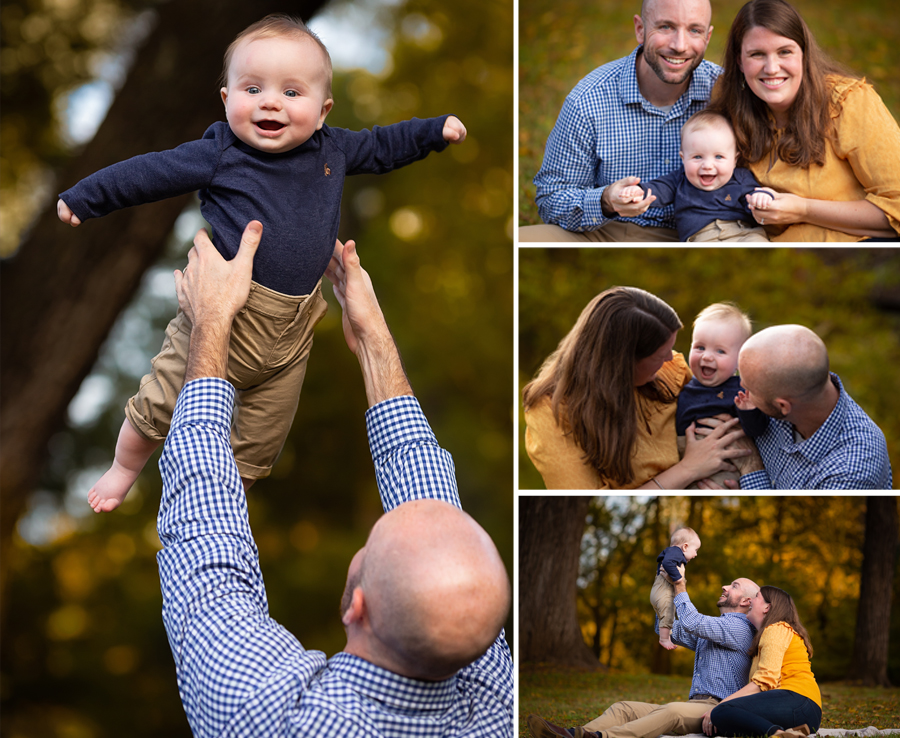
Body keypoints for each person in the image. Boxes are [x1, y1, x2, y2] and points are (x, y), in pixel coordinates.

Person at [57, 13, 467, 512]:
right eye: (253, 88)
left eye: (292, 93)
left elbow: (384, 146)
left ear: (322, 111)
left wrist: (431, 132)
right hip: (222, 316)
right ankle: (124, 467)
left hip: (294, 335)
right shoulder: (220, 154)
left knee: (260, 440)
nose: (271, 101)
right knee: (158, 403)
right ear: (228, 100)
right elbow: (148, 172)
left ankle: (230, 505)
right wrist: (86, 197)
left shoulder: (333, 149)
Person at [157, 220, 513, 736]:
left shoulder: (269, 716)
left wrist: (211, 319)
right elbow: (429, 505)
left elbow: (207, 542)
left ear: (359, 605)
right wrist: (373, 339)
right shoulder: (497, 704)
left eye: (376, 542)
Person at [519, 0, 721, 242]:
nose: (680, 45)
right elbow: (551, 198)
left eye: (694, 30)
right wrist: (605, 200)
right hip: (608, 232)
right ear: (640, 29)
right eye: (666, 27)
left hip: (710, 233)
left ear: (707, 37)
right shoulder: (589, 99)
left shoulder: (727, 92)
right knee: (523, 241)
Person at [706, 0, 900, 241]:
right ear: (739, 61)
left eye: (784, 51)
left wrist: (804, 209)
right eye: (757, 54)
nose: (772, 68)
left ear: (804, 53)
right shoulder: (730, 104)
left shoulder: (848, 102)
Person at [522, 286, 750, 490]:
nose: (671, 357)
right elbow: (586, 497)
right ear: (622, 364)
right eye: (660, 354)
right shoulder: (552, 412)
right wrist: (689, 469)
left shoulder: (674, 371)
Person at [528, 575, 760, 738]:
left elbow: (692, 621)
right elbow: (667, 629)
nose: (725, 586)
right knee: (623, 709)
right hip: (695, 706)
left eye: (734, 586)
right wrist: (664, 587)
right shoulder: (715, 629)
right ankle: (573, 735)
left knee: (670, 711)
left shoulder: (740, 629)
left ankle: (600, 737)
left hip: (718, 709)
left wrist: (681, 586)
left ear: (746, 601)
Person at [712, 324, 893, 489]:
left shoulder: (851, 472)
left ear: (783, 406)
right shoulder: (792, 385)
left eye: (749, 388)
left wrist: (750, 465)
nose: (741, 388)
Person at [614, 111, 772, 241]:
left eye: (718, 157)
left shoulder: (741, 178)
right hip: (703, 237)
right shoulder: (680, 180)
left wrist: (762, 197)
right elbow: (658, 189)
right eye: (697, 157)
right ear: (683, 158)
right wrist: (638, 192)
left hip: (744, 232)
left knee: (759, 244)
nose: (708, 165)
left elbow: (753, 196)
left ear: (735, 159)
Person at [706, 586, 822, 738]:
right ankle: (787, 733)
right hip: (803, 712)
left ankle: (777, 734)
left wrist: (720, 706)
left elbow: (765, 680)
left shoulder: (776, 628)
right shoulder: (771, 632)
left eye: (756, 596)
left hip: (799, 701)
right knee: (720, 724)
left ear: (767, 607)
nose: (750, 600)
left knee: (721, 712)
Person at [675, 302, 768, 488]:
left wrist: (749, 410)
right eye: (700, 347)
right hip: (685, 456)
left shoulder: (740, 390)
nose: (707, 357)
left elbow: (757, 430)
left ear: (740, 361)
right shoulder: (682, 384)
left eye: (720, 351)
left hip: (727, 464)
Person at [651, 527, 701, 650]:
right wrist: (678, 579)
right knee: (668, 613)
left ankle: (666, 636)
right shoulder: (675, 552)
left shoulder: (673, 553)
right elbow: (667, 563)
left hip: (659, 591)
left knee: (667, 614)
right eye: (695, 550)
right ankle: (664, 639)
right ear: (685, 547)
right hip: (663, 590)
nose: (696, 554)